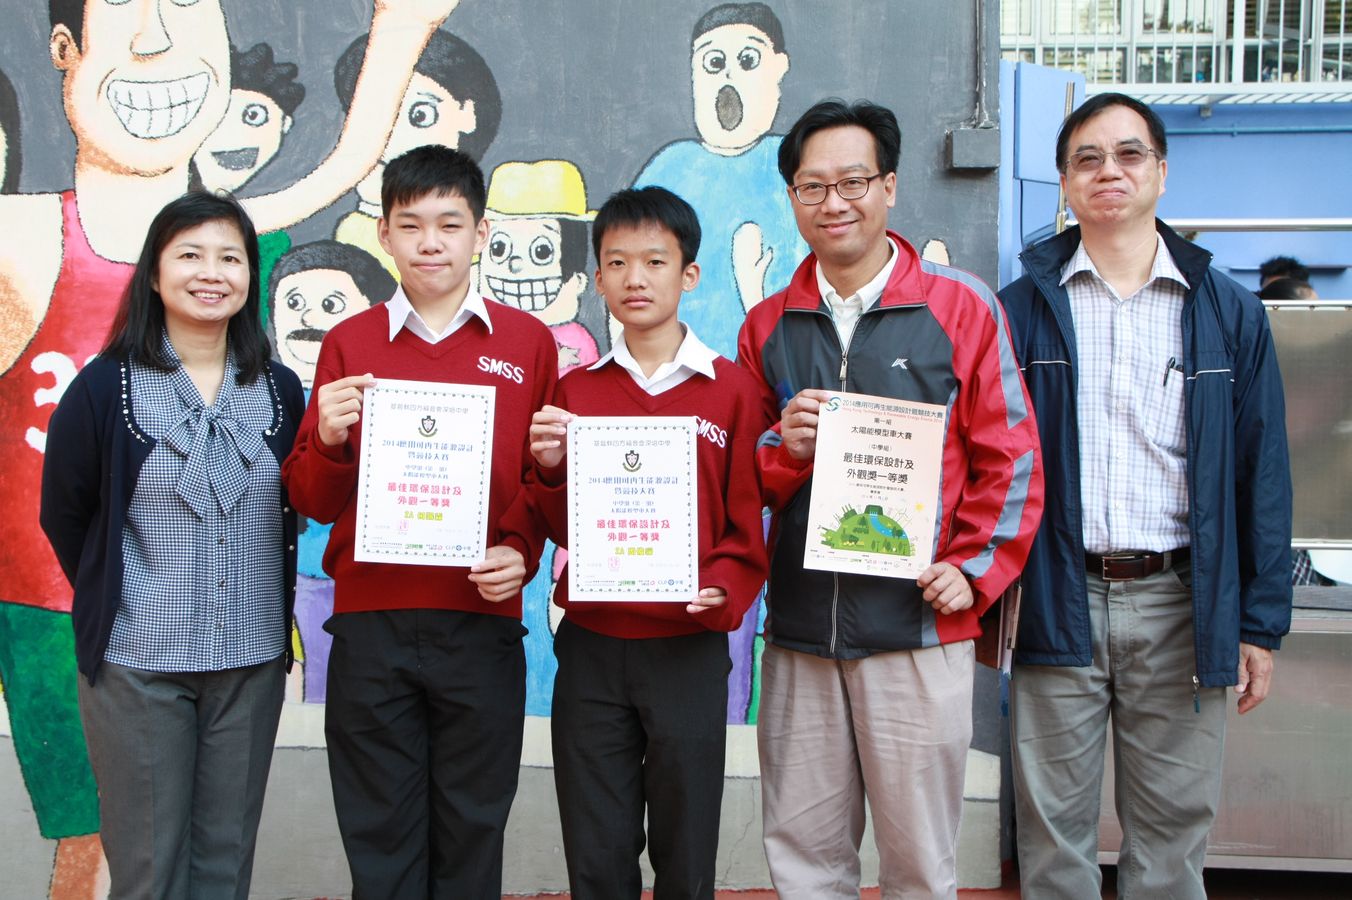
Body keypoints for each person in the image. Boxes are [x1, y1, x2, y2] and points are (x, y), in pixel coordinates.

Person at [736, 99, 1044, 899]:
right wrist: (782, 451)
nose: (834, 202)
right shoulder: (767, 324)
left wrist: (973, 569)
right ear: (792, 198)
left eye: (853, 182)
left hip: (918, 628)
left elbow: (1012, 456)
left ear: (890, 187)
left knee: (918, 866)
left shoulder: (961, 306)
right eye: (812, 187)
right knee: (805, 860)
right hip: (802, 633)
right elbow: (739, 473)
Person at [998, 92, 1293, 900]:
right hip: (1056, 596)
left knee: (1170, 842)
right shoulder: (1019, 311)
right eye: (1087, 159)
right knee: (1052, 840)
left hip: (1181, 603)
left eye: (1130, 154)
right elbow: (986, 458)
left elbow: (1262, 471)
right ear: (1065, 184)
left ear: (1162, 172)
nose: (1110, 171)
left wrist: (1259, 622)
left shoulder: (1226, 312)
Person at [282, 144, 556, 898]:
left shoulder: (528, 344)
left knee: (473, 830)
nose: (430, 242)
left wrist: (520, 550)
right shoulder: (351, 341)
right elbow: (309, 498)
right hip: (371, 627)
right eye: (411, 225)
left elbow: (542, 480)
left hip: (481, 623)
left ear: (481, 233)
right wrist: (328, 438)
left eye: (449, 223)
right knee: (380, 837)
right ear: (385, 235)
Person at [39, 191, 304, 898]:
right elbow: (65, 514)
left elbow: (300, 502)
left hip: (249, 663)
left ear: (249, 277)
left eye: (230, 258)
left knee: (225, 866)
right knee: (149, 870)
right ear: (154, 275)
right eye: (190, 254)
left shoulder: (280, 391)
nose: (211, 272)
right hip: (138, 665)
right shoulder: (106, 390)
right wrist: (125, 594)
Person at [528, 186, 769, 897]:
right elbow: (557, 524)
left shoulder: (732, 392)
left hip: (686, 647)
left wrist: (726, 585)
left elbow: (746, 520)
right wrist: (550, 469)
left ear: (688, 275)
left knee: (685, 846)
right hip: (593, 646)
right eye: (617, 262)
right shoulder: (576, 392)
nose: (636, 278)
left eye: (655, 261)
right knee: (596, 848)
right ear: (598, 279)